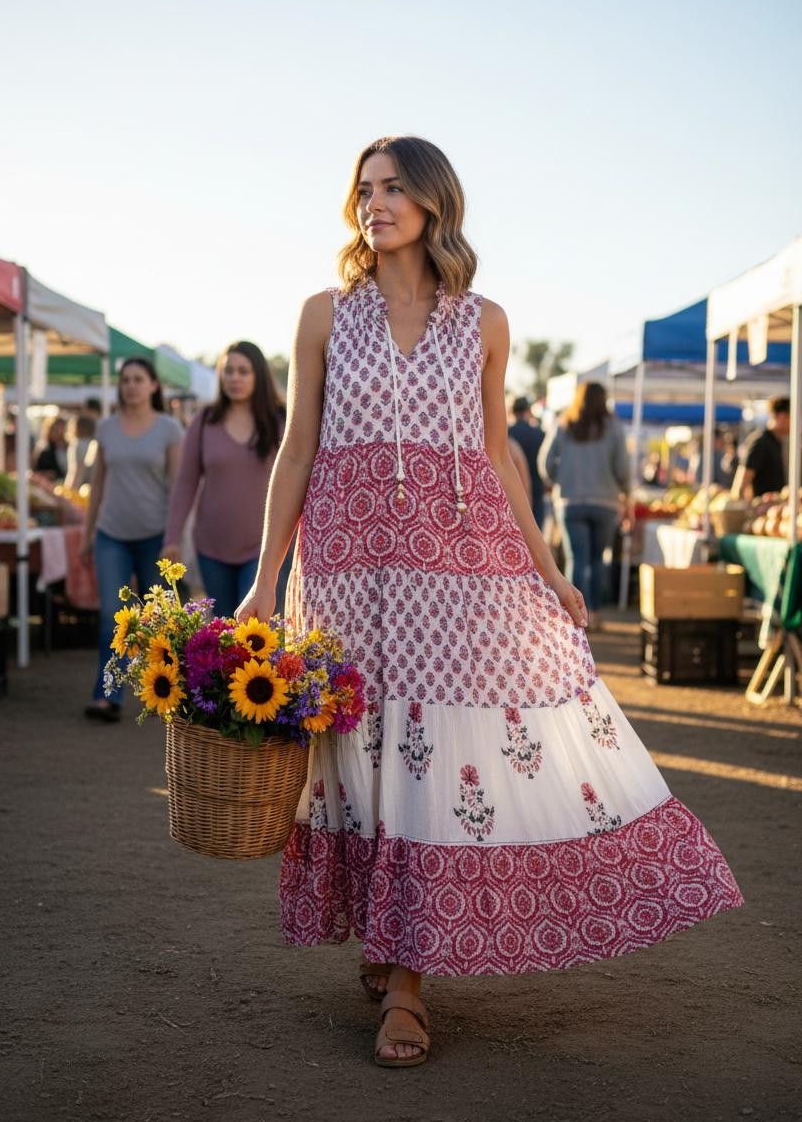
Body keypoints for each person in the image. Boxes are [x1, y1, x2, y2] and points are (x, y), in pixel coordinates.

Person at [235, 135, 742, 1068]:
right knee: (360, 748)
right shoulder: (321, 315)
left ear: (434, 202)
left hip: (460, 568)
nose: (373, 204)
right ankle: (387, 946)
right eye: (363, 189)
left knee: (434, 752)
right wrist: (267, 578)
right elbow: (297, 448)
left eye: (392, 188)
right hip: (345, 564)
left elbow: (498, 454)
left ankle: (410, 988)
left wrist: (548, 570)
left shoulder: (485, 321)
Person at [81, 358, 183, 721]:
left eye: (139, 379)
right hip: (111, 535)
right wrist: (87, 534)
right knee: (112, 615)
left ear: (154, 385)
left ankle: (162, 693)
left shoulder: (170, 429)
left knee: (157, 620)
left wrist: (175, 537)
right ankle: (107, 696)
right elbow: (97, 486)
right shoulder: (106, 428)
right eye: (126, 380)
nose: (131, 386)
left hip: (155, 536)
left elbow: (178, 487)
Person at [162, 341, 287, 615]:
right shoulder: (205, 420)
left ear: (259, 375)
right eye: (228, 371)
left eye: (243, 371)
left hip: (264, 549)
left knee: (254, 634)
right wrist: (172, 538)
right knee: (223, 634)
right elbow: (185, 483)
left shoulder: (280, 419)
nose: (235, 378)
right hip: (212, 547)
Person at [538, 382, 628, 632]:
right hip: (606, 503)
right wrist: (625, 491)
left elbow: (545, 462)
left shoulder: (565, 422)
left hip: (570, 502)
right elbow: (623, 468)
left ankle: (574, 616)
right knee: (598, 560)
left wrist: (559, 481)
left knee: (577, 558)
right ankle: (595, 614)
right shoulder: (613, 427)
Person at [732, 396, 790, 499]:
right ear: (781, 416)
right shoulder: (761, 441)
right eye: (791, 417)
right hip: (761, 509)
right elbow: (742, 483)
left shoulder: (780, 443)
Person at [507, 395, 546, 529]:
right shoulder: (539, 434)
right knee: (536, 532)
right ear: (528, 411)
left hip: (513, 492)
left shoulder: (507, 434)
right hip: (537, 490)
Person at [64, 412, 97, 491]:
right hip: (91, 486)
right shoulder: (94, 442)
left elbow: (76, 470)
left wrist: (69, 490)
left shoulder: (77, 444)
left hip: (81, 488)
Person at [33, 415, 68, 480]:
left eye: (62, 429)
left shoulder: (69, 447)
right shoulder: (44, 449)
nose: (60, 432)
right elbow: (37, 471)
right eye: (56, 429)